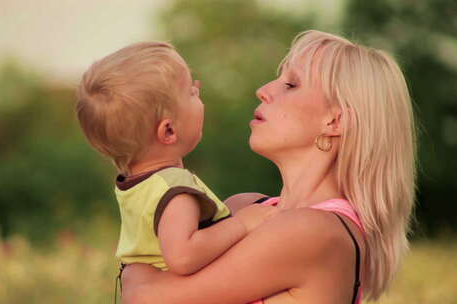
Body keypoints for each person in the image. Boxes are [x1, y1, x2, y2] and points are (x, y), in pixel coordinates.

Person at [120, 30, 417, 304]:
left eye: (290, 84)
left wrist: (133, 271)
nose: (263, 90)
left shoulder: (314, 231)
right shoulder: (245, 207)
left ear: (335, 121)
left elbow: (148, 297)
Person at [76, 42, 276, 283]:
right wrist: (242, 224)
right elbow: (183, 257)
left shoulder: (137, 185)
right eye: (191, 92)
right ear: (168, 130)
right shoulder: (175, 190)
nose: (198, 89)